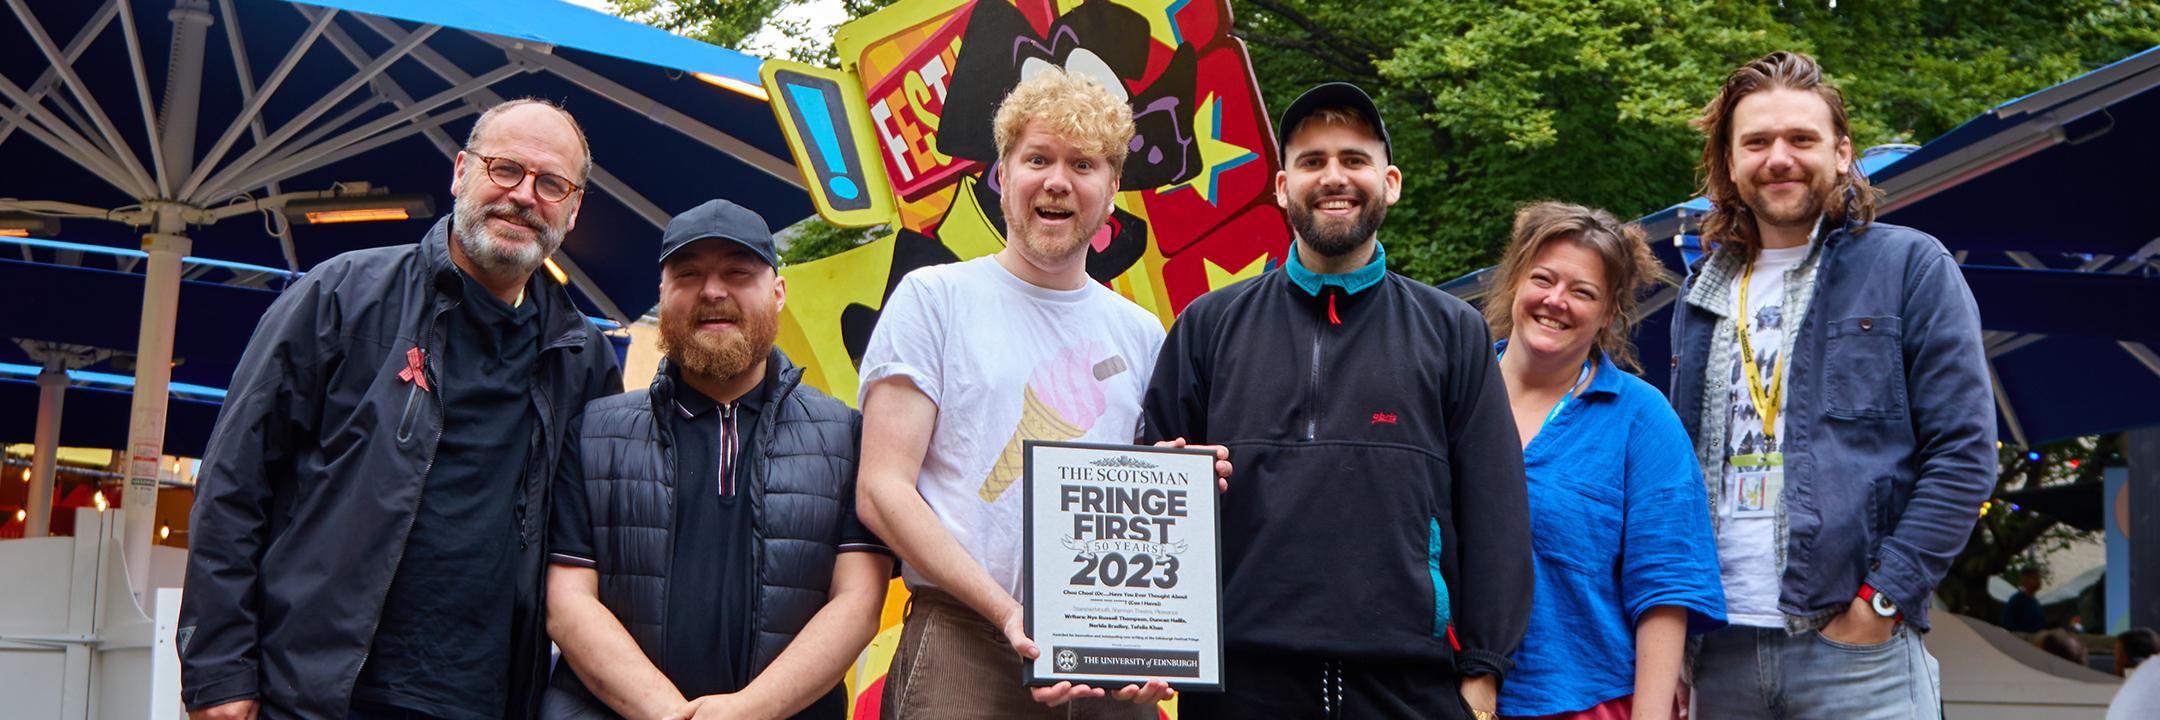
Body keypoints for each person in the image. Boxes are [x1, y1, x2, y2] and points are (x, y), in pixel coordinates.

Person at [179, 98, 625, 719]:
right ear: (461, 172)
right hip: (313, 697)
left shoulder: (584, 360)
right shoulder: (338, 298)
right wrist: (218, 674)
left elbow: (599, 543)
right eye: (505, 170)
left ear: (573, 211)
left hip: (488, 701)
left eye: (551, 183)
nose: (525, 195)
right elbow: (233, 485)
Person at [1138, 81, 1532, 720]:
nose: (1333, 177)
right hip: (1239, 685)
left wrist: (1483, 672)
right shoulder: (1209, 324)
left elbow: (1496, 508)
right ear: (1281, 186)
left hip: (1410, 687)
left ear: (1391, 181)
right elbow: (1146, 492)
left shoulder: (1451, 330)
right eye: (1312, 161)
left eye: (1354, 159)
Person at [854, 67, 1226, 719]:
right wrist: (1010, 614)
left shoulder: (1141, 333)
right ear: (1004, 175)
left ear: (1111, 192)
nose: (1057, 180)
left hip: (1110, 650)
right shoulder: (933, 300)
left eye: (1083, 164)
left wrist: (1180, 483)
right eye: (1038, 158)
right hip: (965, 635)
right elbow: (881, 490)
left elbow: (1133, 490)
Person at [1673, 51, 1996, 719]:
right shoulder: (1701, 291)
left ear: (1843, 152)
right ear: (1730, 163)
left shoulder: (1910, 265)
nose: (1778, 158)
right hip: (1717, 649)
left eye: (1802, 139)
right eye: (1756, 142)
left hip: (1857, 653)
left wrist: (1881, 602)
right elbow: (1673, 470)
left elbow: (1965, 453)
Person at [541, 200, 895, 720]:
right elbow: (568, 602)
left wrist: (749, 710)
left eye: (737, 272)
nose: (712, 291)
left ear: (777, 293)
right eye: (688, 274)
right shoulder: (593, 432)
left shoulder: (846, 436)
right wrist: (667, 713)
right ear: (662, 297)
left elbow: (858, 603)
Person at [1480, 202, 1727, 720]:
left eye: (1582, 292)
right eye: (1542, 279)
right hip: (1441, 697)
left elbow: (1665, 588)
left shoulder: (1642, 419)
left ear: (1609, 312)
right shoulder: (1454, 394)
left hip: (1585, 702)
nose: (1556, 301)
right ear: (1515, 283)